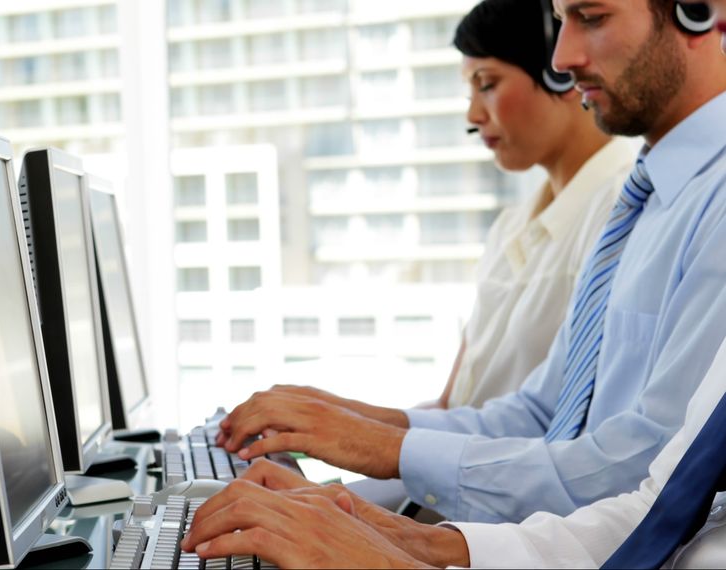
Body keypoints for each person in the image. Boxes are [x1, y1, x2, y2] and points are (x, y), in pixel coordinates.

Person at [180, 0, 726, 566]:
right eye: (561, 22)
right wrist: (386, 506)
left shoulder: (710, 201)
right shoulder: (646, 199)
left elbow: (646, 482)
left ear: (695, 10)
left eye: (591, 17)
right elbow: (543, 414)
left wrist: (389, 460)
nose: (562, 58)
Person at [427, 0, 633, 412]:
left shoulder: (621, 208)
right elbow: (453, 404)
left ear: (559, 77)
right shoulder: (510, 227)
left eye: (486, 84)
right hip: (462, 462)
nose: (473, 115)